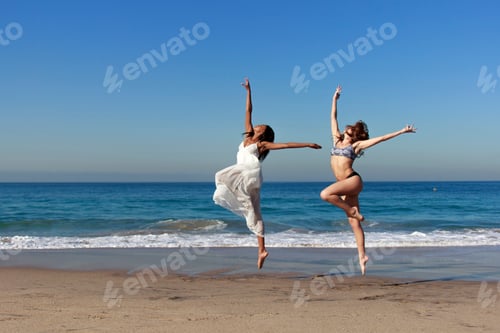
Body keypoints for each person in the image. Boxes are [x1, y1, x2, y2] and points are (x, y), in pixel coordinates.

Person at [213, 78, 322, 269]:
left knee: (220, 176)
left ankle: (261, 247)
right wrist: (248, 91)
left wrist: (307, 144)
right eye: (256, 126)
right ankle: (262, 250)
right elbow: (248, 111)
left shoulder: (260, 144)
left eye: (259, 127)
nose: (256, 127)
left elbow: (285, 145)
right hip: (243, 176)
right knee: (254, 212)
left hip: (247, 174)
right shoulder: (247, 136)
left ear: (263, 134)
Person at [320, 85, 416, 275]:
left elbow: (380, 139)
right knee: (354, 224)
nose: (346, 128)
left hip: (352, 181)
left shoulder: (356, 145)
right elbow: (333, 118)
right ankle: (362, 256)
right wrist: (334, 99)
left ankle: (352, 210)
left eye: (349, 128)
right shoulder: (336, 140)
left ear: (352, 134)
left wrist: (401, 131)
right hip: (347, 186)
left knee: (325, 194)